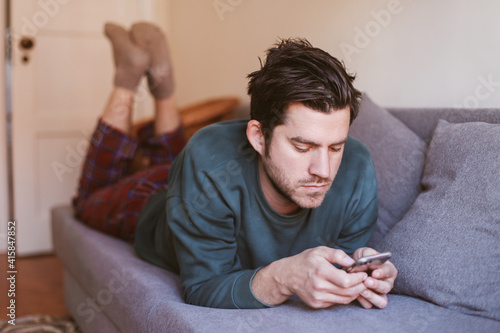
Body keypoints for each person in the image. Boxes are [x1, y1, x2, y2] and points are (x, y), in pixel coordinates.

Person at [74, 22, 397, 311]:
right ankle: (127, 81)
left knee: (171, 159)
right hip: (156, 199)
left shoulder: (357, 169)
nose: (324, 170)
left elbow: (337, 268)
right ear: (258, 136)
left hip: (200, 177)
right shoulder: (206, 161)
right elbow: (201, 287)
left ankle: (161, 81)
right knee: (89, 201)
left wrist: (362, 275)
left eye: (336, 146)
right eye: (303, 147)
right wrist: (282, 278)